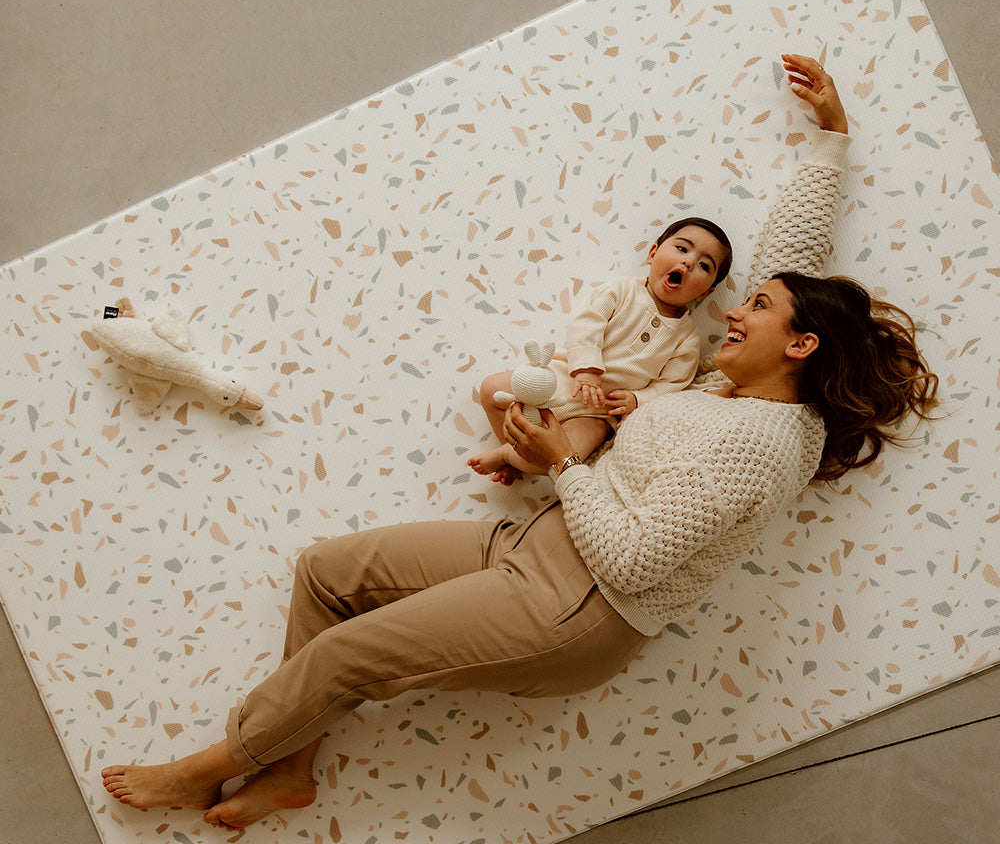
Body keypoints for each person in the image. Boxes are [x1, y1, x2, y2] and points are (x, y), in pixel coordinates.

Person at [101, 54, 937, 831]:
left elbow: (638, 562)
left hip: (579, 606)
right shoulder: (735, 386)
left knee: (349, 655)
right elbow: (798, 259)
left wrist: (562, 464)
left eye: (757, 308)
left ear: (799, 347)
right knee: (327, 574)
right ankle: (289, 769)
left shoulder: (766, 444)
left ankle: (207, 766)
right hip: (536, 545)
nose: (739, 308)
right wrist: (831, 138)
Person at [467, 214, 732, 484]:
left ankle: (510, 457)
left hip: (597, 413)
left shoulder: (686, 337)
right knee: (490, 389)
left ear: (705, 293)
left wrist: (638, 400)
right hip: (562, 379)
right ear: (653, 253)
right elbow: (585, 324)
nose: (687, 262)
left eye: (703, 265)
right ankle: (515, 448)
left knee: (570, 458)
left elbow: (674, 385)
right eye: (682, 248)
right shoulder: (620, 292)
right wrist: (587, 369)